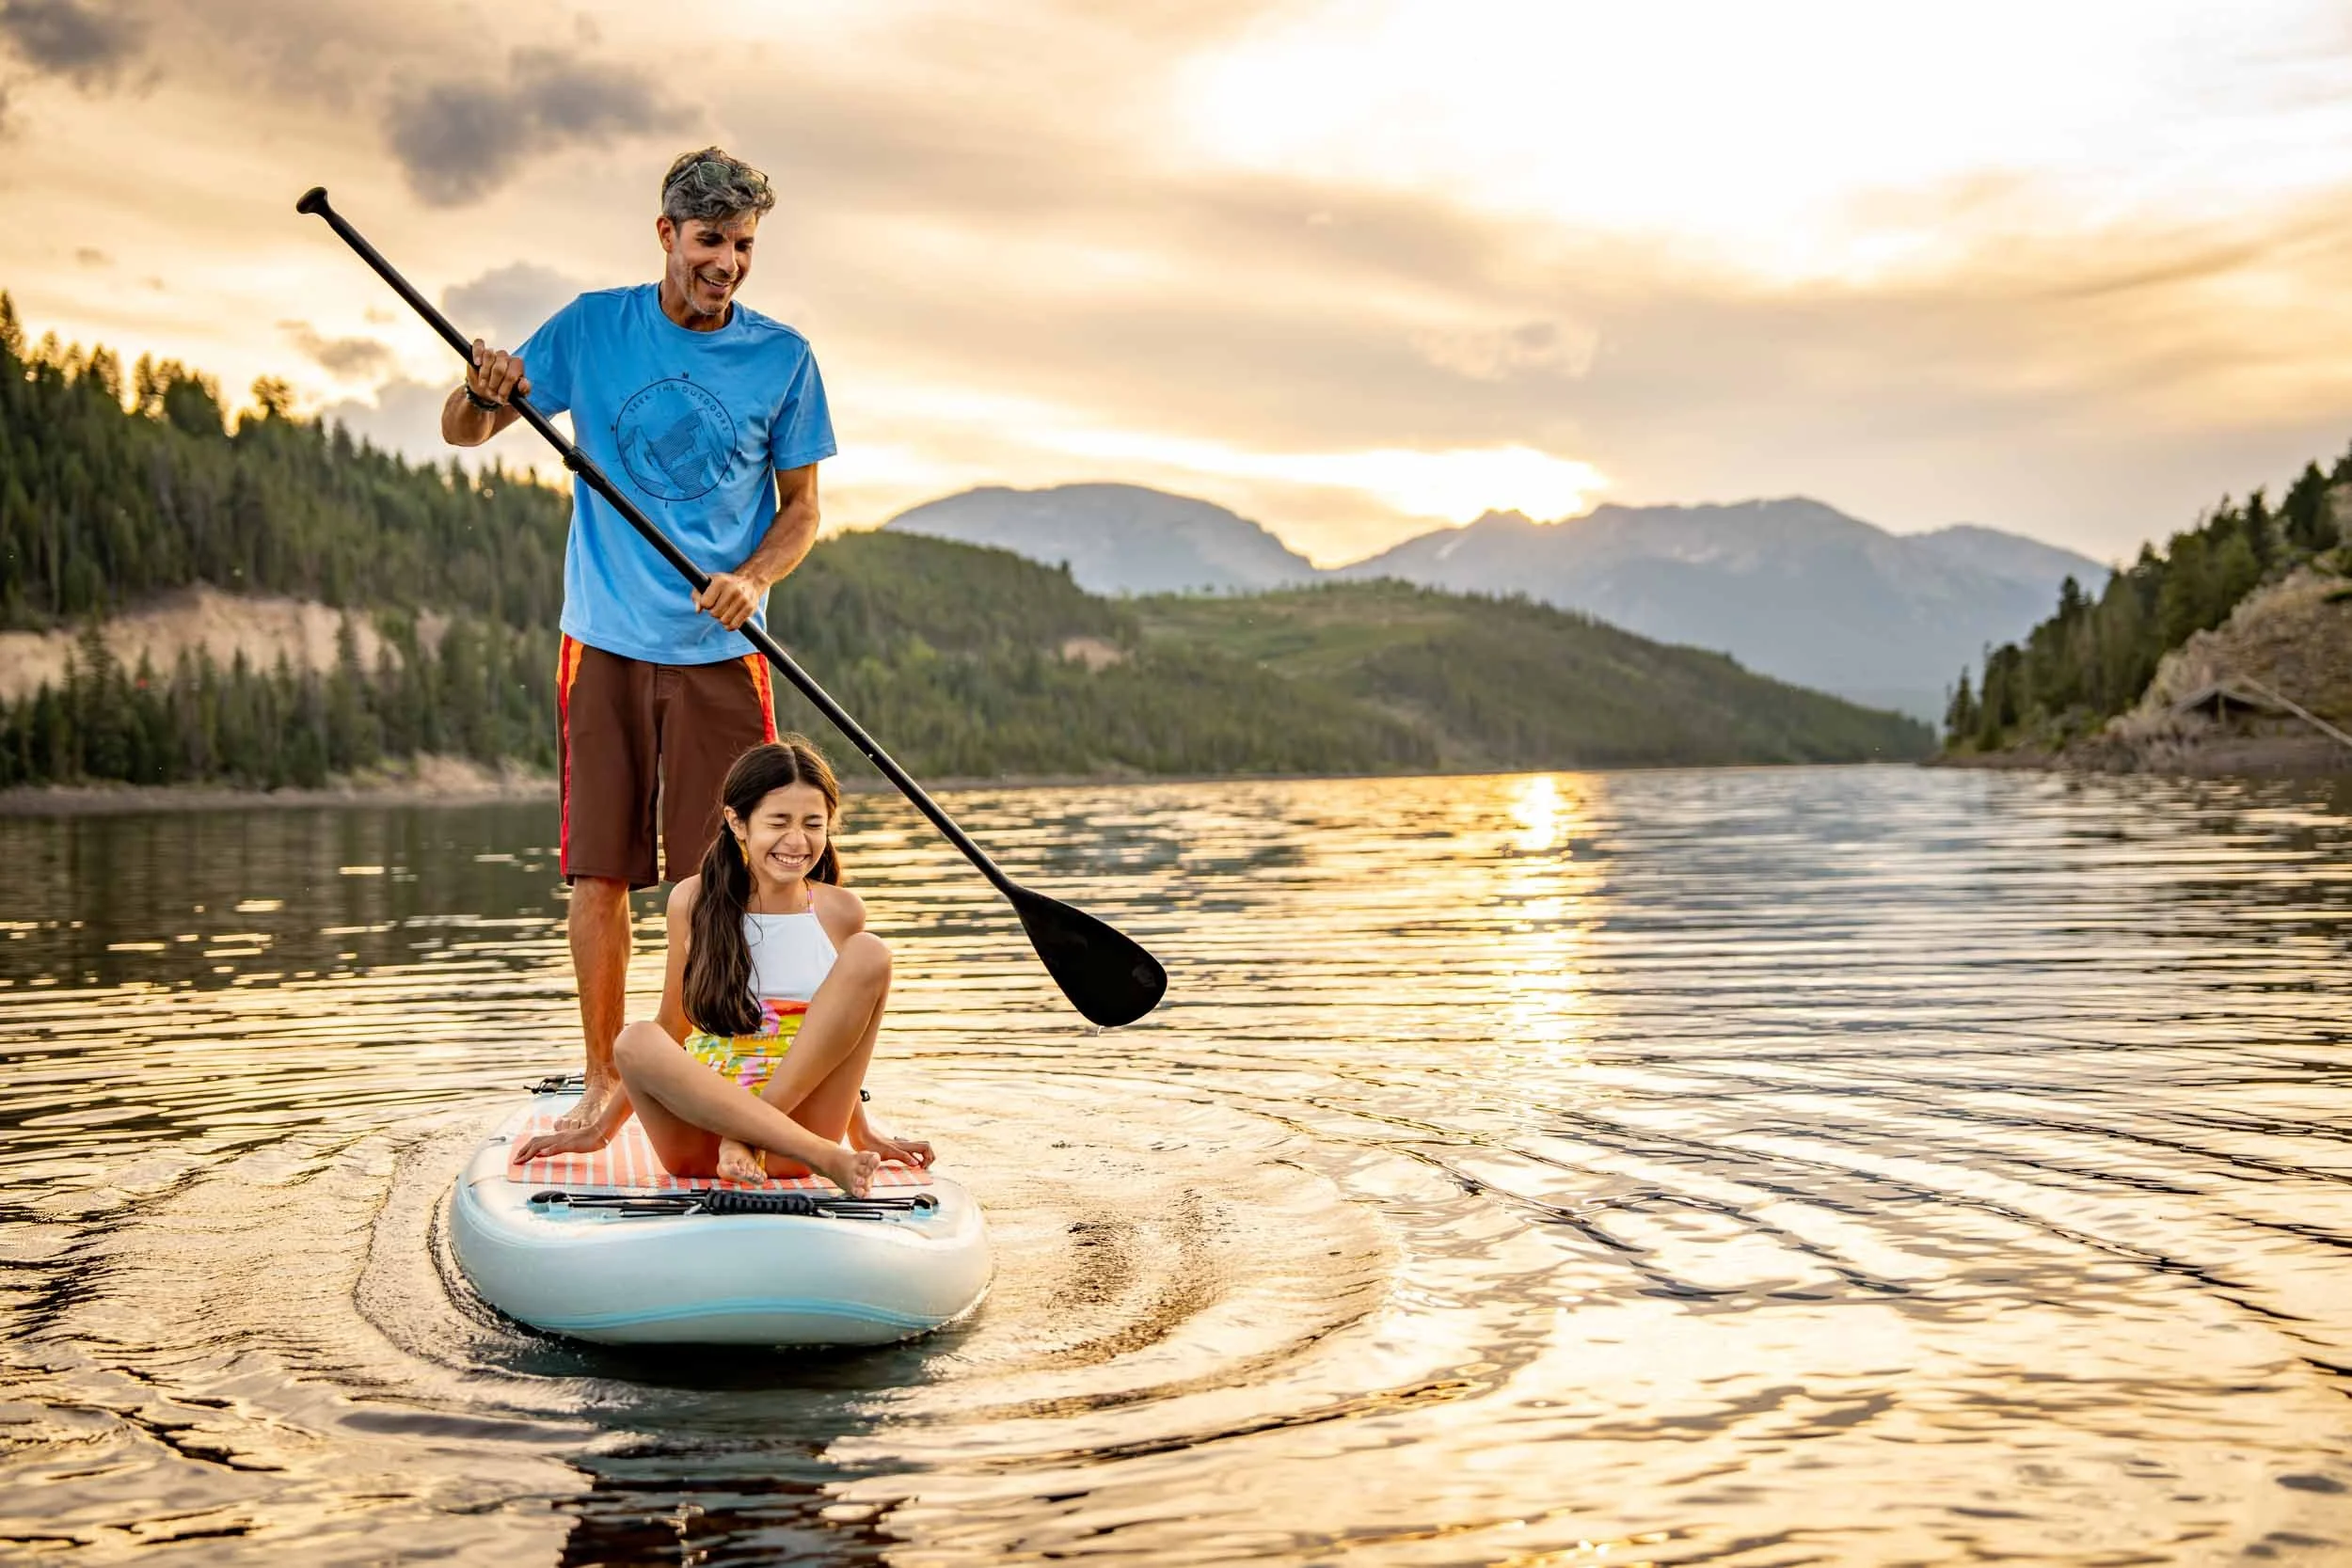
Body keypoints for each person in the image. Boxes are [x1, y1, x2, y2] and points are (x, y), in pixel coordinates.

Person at [442, 147, 834, 1142]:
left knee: (739, 875)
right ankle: (606, 1076)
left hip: (721, 649)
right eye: (709, 243)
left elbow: (801, 512)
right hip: (606, 639)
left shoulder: (782, 358)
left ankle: (722, 1063)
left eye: (743, 246)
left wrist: (755, 576)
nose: (727, 266)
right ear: (666, 234)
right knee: (601, 873)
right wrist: (486, 387)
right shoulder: (589, 327)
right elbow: (463, 431)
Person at [513, 738, 931, 1197]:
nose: (798, 841)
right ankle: (776, 1144)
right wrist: (601, 1132)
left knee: (872, 952)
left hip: (802, 1132)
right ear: (737, 822)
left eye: (814, 824)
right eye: (779, 822)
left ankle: (752, 1138)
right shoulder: (692, 901)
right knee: (636, 1039)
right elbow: (673, 1026)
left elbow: (838, 1044)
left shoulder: (840, 911)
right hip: (701, 1142)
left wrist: (862, 1133)